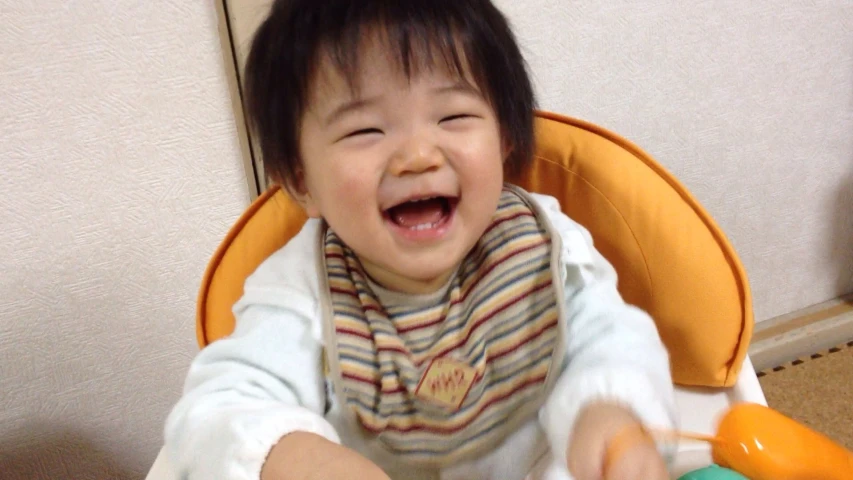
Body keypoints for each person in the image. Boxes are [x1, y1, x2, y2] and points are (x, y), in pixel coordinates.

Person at [163, 0, 678, 479]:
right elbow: (219, 409)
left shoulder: (543, 246)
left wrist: (610, 410)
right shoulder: (300, 293)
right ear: (300, 179)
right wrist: (287, 454)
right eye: (365, 130)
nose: (418, 155)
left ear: (504, 138)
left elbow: (611, 341)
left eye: (453, 117)